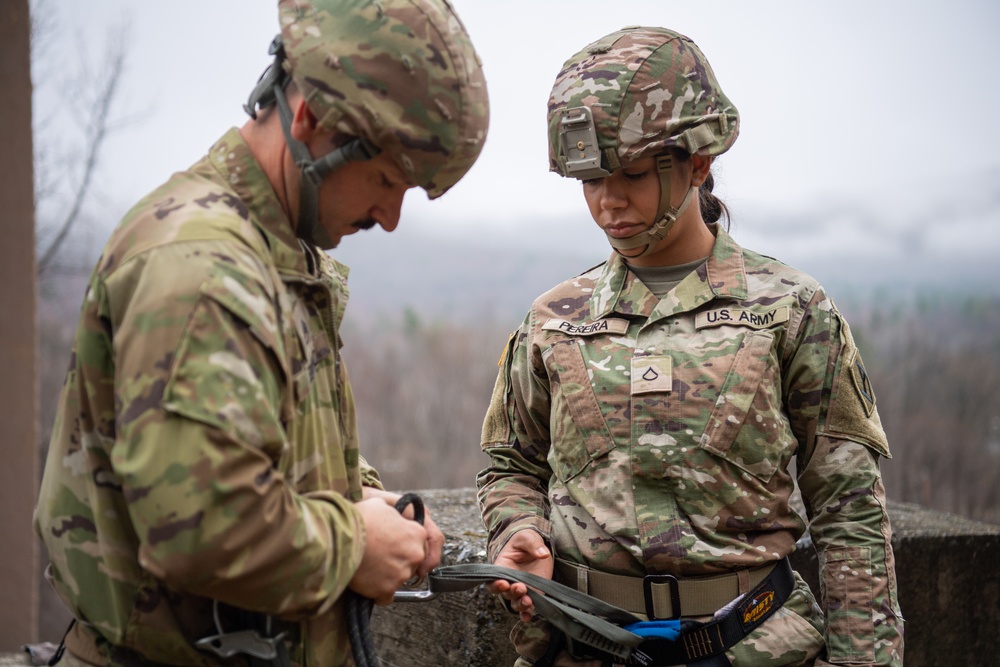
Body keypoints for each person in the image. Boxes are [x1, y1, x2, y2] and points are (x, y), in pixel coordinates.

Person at [33, 0, 488, 665]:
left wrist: (350, 492)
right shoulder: (202, 268)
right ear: (309, 120)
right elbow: (201, 525)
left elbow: (258, 443)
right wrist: (353, 543)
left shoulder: (273, 245)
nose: (390, 216)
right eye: (387, 179)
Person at [477, 26, 903, 667]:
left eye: (631, 175)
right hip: (588, 646)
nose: (607, 201)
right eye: (589, 179)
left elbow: (850, 515)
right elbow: (510, 465)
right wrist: (520, 530)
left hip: (753, 648)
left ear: (697, 164)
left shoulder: (792, 310)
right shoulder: (554, 320)